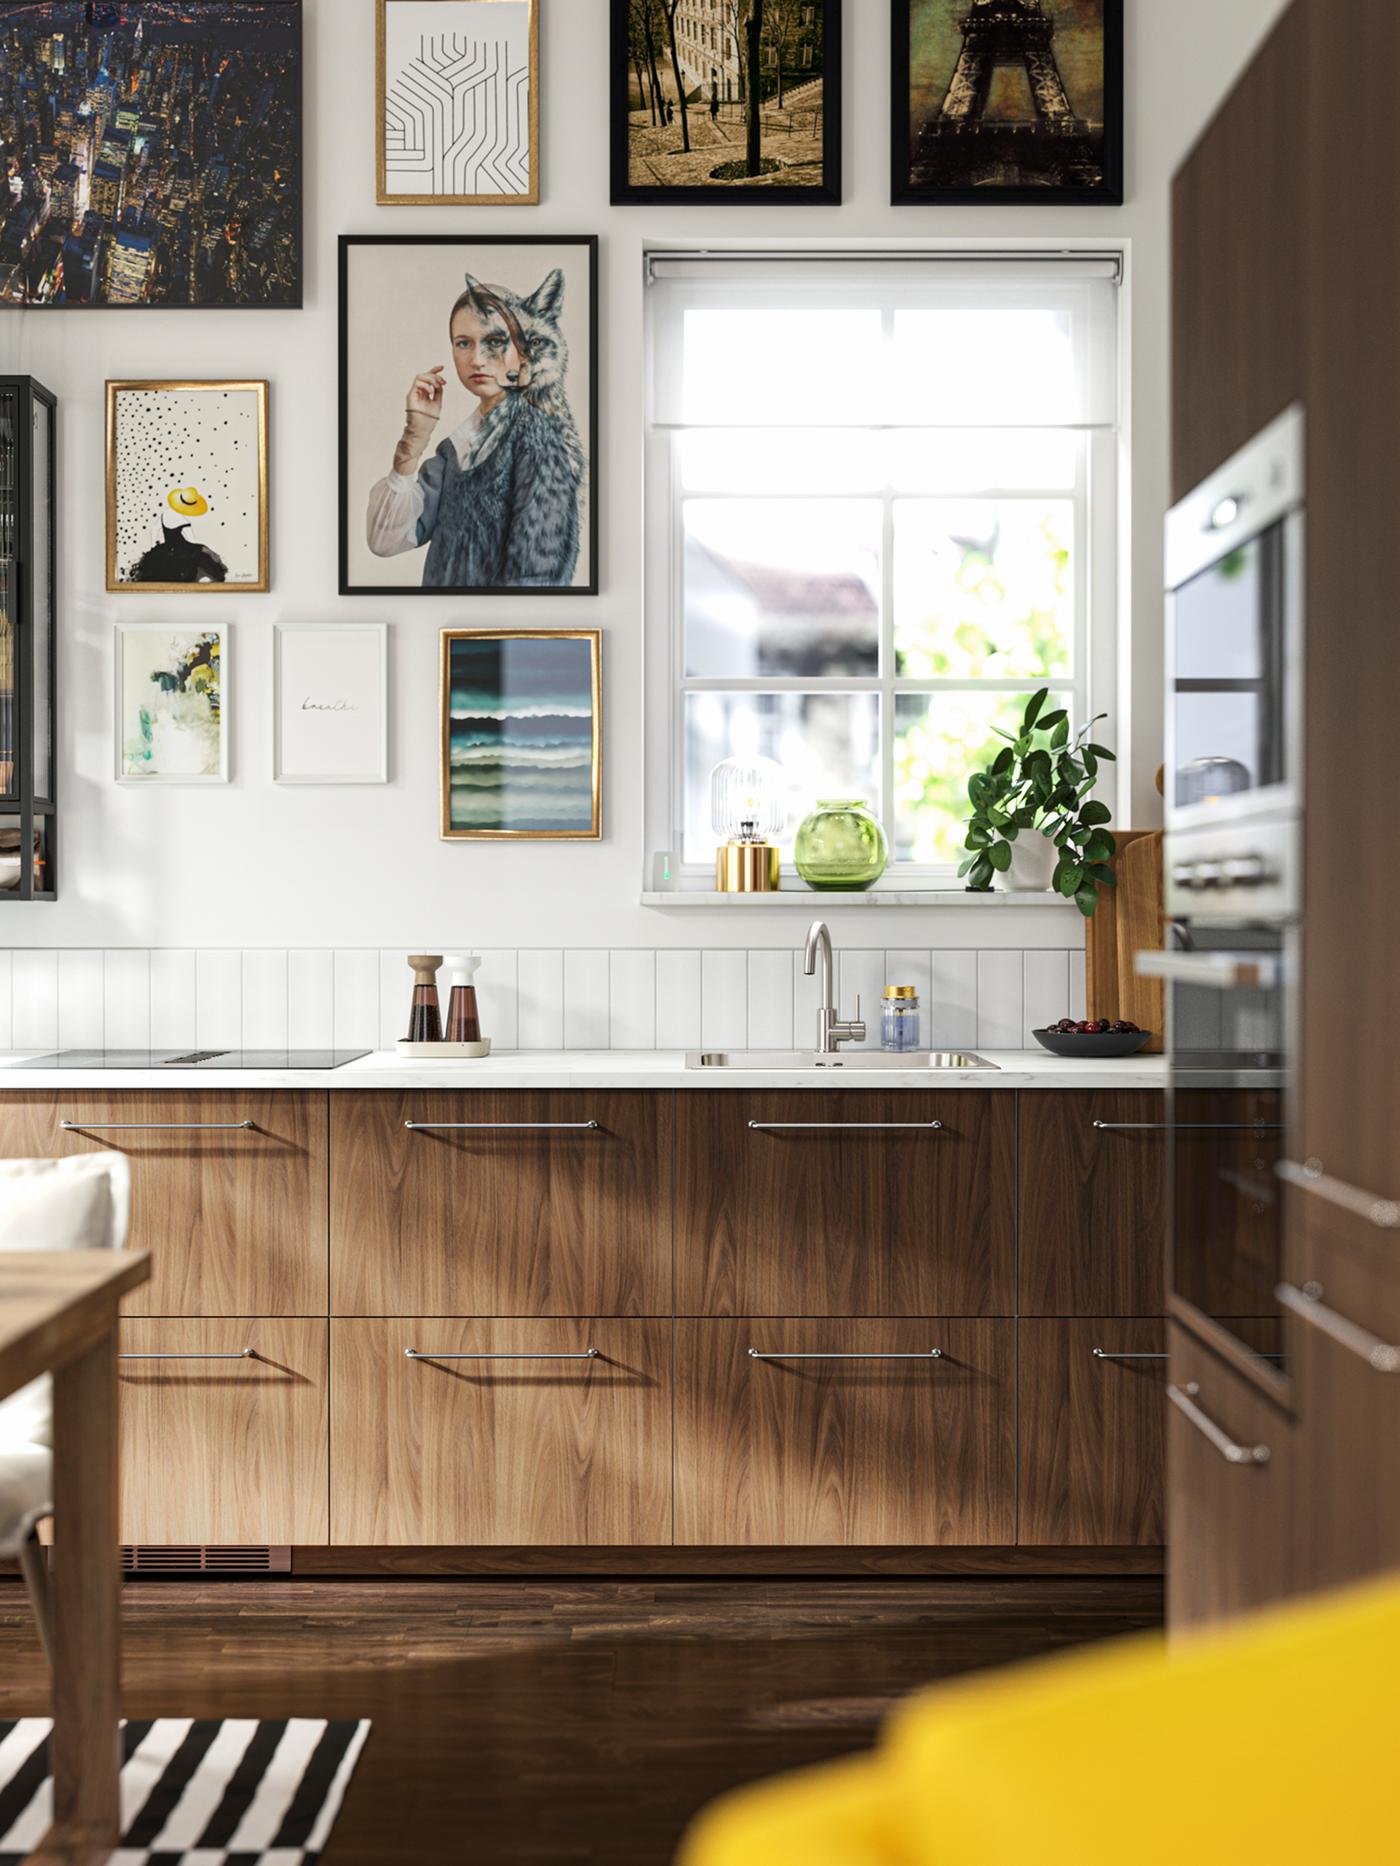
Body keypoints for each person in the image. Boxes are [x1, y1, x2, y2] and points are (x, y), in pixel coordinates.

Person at [366, 279, 580, 589]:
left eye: (494, 341)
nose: (477, 359)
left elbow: (538, 577)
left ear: (522, 351)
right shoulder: (455, 448)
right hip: (441, 630)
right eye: (464, 343)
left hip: (494, 634)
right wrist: (414, 438)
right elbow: (385, 541)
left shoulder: (536, 435)